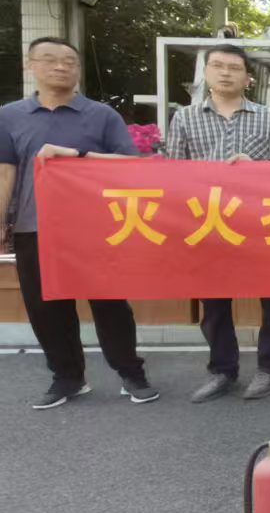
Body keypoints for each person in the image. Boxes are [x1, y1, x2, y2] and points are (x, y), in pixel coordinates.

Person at [0, 36, 160, 409]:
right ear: (29, 65)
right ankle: (68, 377)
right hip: (34, 227)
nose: (60, 66)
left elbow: (131, 164)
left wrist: (78, 155)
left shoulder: (101, 115)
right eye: (49, 59)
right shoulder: (9, 116)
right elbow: (6, 172)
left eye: (69, 61)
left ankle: (131, 374)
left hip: (96, 228)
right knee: (45, 308)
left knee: (110, 305)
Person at [165, 43, 270, 403]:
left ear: (247, 77)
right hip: (207, 224)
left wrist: (258, 169)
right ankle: (222, 370)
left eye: (234, 67)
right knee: (214, 303)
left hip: (261, 223)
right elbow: (173, 172)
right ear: (206, 73)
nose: (226, 73)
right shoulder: (185, 118)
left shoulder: (268, 117)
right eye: (218, 66)